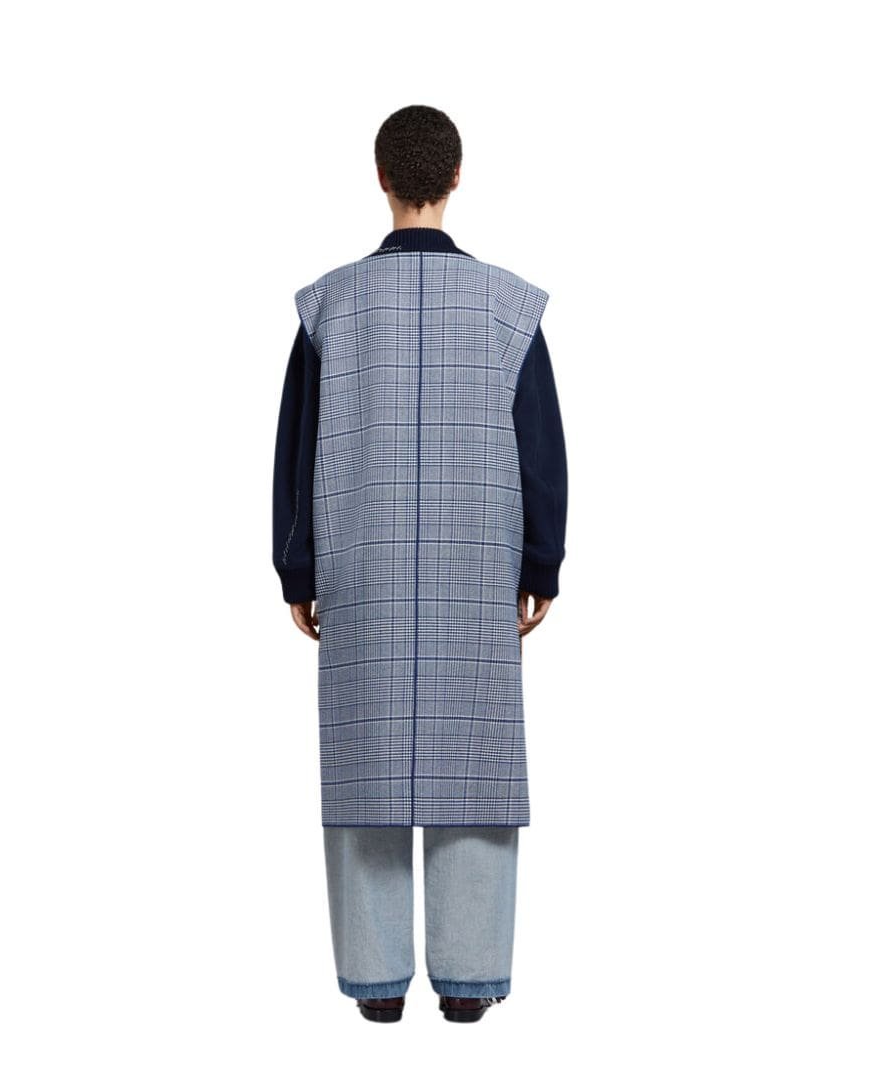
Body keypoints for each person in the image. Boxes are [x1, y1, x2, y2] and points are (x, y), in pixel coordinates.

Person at [272, 104, 568, 1023]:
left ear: (380, 177)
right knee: (473, 763)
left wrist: (296, 570)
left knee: (365, 767)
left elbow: (295, 450)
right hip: (476, 570)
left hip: (359, 567)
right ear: (457, 176)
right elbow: (541, 449)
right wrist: (542, 564)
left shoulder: (329, 304)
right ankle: (469, 983)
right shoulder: (510, 305)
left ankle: (377, 986)